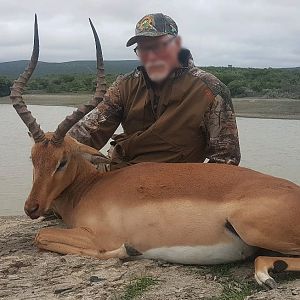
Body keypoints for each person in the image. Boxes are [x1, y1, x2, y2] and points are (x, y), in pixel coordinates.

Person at [69, 13, 241, 171]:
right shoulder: (124, 85)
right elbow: (88, 132)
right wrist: (53, 144)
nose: (149, 56)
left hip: (176, 183)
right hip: (120, 172)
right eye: (142, 49)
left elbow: (225, 161)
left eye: (156, 47)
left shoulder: (210, 90)